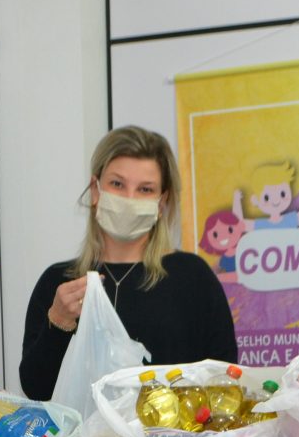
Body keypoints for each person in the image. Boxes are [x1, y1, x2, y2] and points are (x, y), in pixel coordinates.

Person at [19, 126, 238, 400]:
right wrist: (59, 322)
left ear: (162, 201)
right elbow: (36, 389)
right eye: (117, 184)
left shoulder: (193, 278)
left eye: (145, 189)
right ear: (96, 190)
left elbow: (223, 381)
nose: (129, 198)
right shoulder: (60, 282)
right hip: (81, 431)